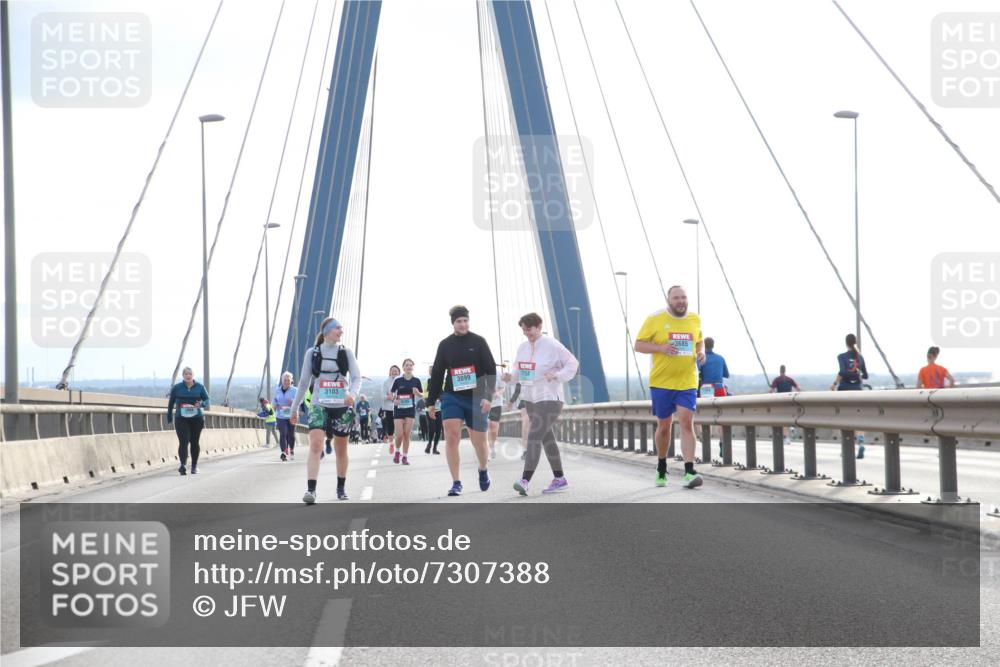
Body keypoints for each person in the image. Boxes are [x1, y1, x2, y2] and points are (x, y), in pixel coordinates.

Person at [635, 285, 705, 489]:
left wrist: (701, 353)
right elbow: (639, 345)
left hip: (687, 382)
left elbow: (698, 342)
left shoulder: (694, 319)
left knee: (686, 422)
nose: (681, 301)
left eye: (684, 297)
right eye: (676, 298)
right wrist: (660, 348)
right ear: (668, 300)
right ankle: (661, 465)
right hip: (661, 382)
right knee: (664, 426)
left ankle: (689, 471)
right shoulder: (655, 319)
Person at [426, 305, 497, 496]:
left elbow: (491, 370)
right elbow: (438, 374)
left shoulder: (479, 342)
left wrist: (488, 397)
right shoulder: (445, 345)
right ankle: (456, 482)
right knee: (451, 436)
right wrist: (431, 402)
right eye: (459, 321)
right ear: (453, 324)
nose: (463, 324)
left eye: (465, 320)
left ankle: (483, 469)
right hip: (452, 396)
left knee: (480, 442)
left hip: (476, 397)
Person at [289, 317, 362, 503]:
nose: (341, 331)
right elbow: (304, 382)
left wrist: (352, 394)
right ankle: (311, 490)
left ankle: (341, 487)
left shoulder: (346, 353)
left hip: (342, 405)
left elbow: (356, 377)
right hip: (319, 403)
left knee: (341, 448)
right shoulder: (312, 353)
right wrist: (294, 408)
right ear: (328, 330)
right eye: (338, 328)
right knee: (315, 444)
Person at [505, 313, 579, 495]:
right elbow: (518, 371)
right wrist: (510, 377)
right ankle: (560, 478)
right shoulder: (522, 347)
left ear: (539, 326)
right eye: (523, 330)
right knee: (547, 438)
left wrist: (558, 376)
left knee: (534, 436)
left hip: (550, 397)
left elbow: (572, 363)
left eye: (529, 329)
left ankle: (525, 480)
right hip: (530, 398)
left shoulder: (552, 345)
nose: (526, 333)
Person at [830, 333, 868, 459]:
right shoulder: (860, 357)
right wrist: (858, 375)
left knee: (844, 419)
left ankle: (846, 448)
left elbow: (842, 372)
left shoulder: (841, 357)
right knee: (858, 418)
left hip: (844, 391)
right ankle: (861, 441)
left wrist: (834, 384)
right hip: (857, 390)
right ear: (855, 342)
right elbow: (866, 375)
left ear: (846, 343)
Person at [167, 367, 210, 475]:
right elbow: (171, 403)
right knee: (183, 441)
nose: (188, 375)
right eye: (185, 374)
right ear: (183, 375)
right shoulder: (177, 388)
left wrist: (201, 404)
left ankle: (194, 466)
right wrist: (169, 416)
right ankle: (183, 465)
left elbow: (207, 400)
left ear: (193, 375)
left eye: (190, 374)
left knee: (194, 442)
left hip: (196, 418)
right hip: (181, 418)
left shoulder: (200, 387)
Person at [391, 359, 423, 465]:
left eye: (410, 365)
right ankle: (397, 452)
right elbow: (391, 394)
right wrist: (394, 400)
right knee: (399, 434)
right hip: (399, 409)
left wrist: (417, 392)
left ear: (413, 367)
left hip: (410, 409)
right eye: (406, 365)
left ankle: (404, 456)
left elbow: (422, 395)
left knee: (407, 434)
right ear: (403, 368)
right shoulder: (398, 381)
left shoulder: (416, 380)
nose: (409, 367)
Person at [273, 372, 297, 461]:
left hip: (291, 415)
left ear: (291, 381)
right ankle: (283, 452)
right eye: (284, 380)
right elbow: (274, 399)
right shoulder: (277, 390)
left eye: (288, 380)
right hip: (280, 415)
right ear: (282, 381)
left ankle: (292, 450)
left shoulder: (295, 390)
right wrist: (274, 405)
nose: (286, 382)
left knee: (291, 435)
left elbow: (300, 400)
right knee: (283, 434)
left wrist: (294, 402)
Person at [380, 365, 400, 449]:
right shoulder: (386, 382)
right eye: (393, 370)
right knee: (390, 426)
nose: (394, 372)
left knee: (399, 427)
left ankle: (398, 444)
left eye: (396, 371)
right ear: (390, 372)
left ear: (399, 372)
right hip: (389, 408)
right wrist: (391, 397)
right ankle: (391, 443)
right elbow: (382, 395)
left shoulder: (402, 381)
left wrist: (392, 396)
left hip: (400, 407)